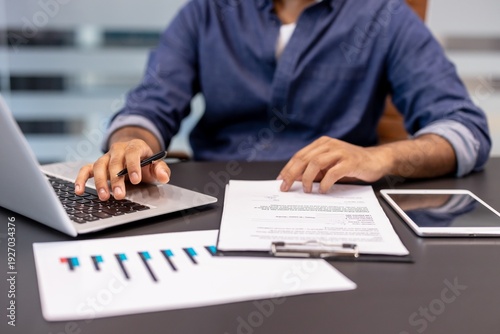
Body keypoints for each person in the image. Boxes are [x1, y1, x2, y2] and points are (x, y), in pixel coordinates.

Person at [75, 0, 491, 200]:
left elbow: (464, 129)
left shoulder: (384, 16)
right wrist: (131, 143)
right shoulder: (207, 11)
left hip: (332, 202)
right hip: (212, 202)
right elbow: (148, 107)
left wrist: (379, 159)